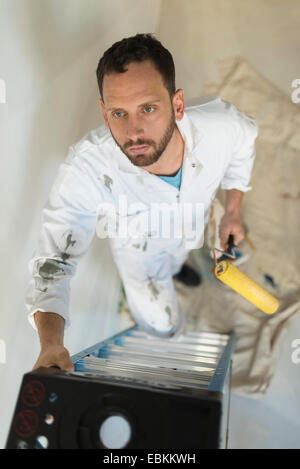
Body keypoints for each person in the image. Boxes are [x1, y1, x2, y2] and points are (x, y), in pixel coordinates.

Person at [27, 33, 258, 372]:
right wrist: (51, 344)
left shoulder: (223, 126)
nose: (133, 131)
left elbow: (243, 151)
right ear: (105, 114)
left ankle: (180, 270)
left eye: (147, 108)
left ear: (178, 105)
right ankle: (168, 317)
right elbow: (53, 264)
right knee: (163, 327)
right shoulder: (87, 169)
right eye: (119, 113)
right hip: (141, 261)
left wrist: (233, 211)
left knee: (184, 255)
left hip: (191, 227)